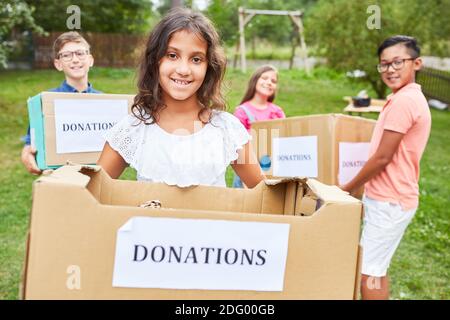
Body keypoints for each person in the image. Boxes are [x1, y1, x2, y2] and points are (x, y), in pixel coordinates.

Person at [97, 8, 264, 188]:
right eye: (172, 55)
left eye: (196, 59)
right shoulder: (133, 129)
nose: (184, 70)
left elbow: (263, 194)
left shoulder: (227, 129)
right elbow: (92, 191)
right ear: (155, 60)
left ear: (209, 66)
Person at [340, 35, 431, 300]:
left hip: (391, 201)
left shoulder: (404, 101)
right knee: (376, 268)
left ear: (416, 63)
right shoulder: (405, 97)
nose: (390, 69)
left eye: (397, 62)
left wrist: (349, 188)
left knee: (368, 272)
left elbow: (383, 157)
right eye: (384, 64)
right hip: (390, 197)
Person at [21, 31, 101, 175]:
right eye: (67, 55)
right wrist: (27, 151)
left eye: (80, 53)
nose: (75, 59)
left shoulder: (104, 103)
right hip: (58, 176)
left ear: (90, 60)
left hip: (96, 175)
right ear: (58, 64)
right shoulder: (45, 102)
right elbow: (31, 140)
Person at [232, 65, 286, 187]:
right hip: (249, 166)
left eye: (273, 81)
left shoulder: (277, 111)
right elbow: (237, 144)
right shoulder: (242, 111)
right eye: (264, 78)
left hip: (273, 165)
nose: (269, 82)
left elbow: (284, 138)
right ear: (255, 80)